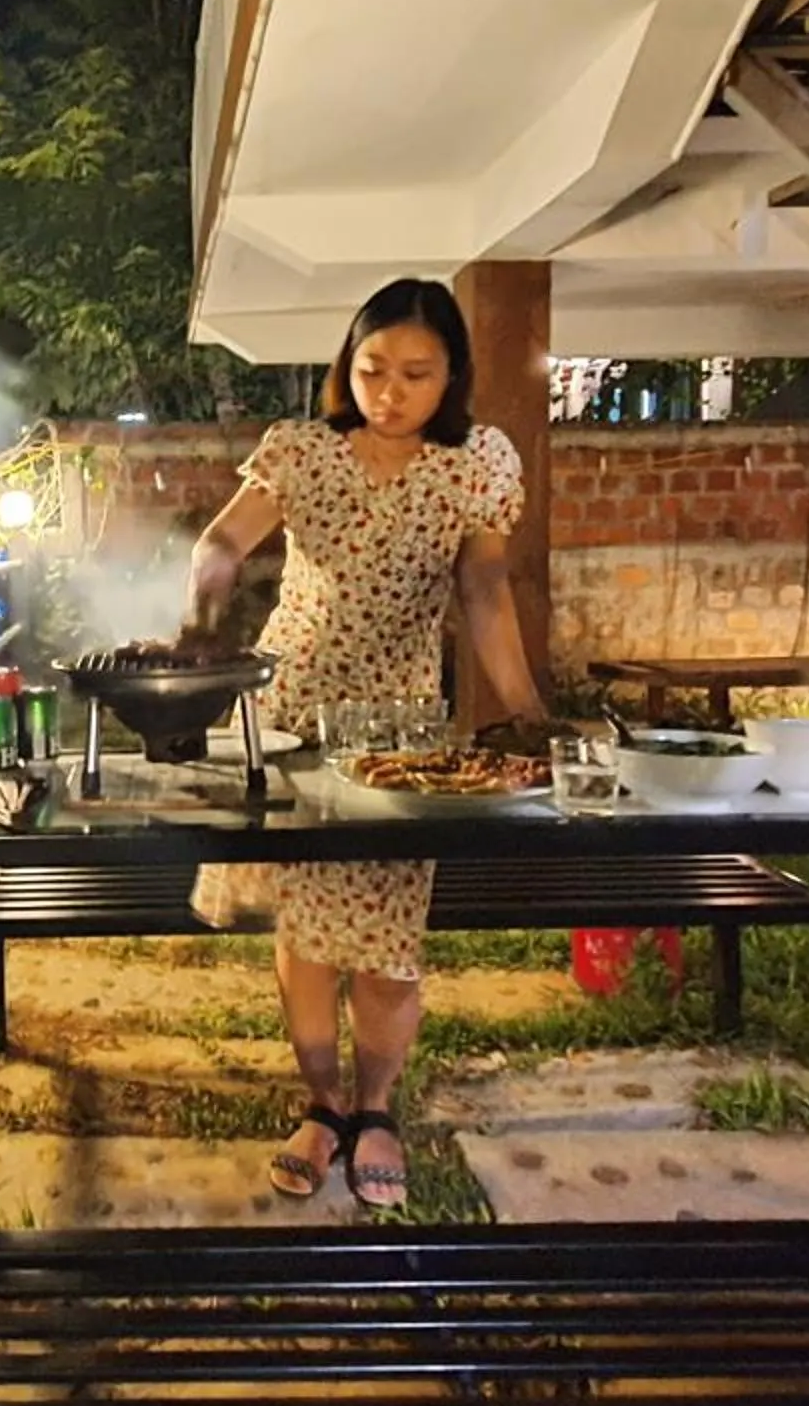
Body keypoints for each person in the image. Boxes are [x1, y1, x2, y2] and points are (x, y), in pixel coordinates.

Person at [181, 277, 549, 1210]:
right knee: (305, 935)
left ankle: (376, 1108)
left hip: (400, 726)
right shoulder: (302, 451)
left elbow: (485, 592)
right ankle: (322, 1104)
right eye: (372, 368)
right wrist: (202, 606)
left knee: (386, 938)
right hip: (292, 710)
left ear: (452, 376)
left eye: (416, 374)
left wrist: (526, 712)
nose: (389, 390)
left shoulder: (479, 465)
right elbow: (223, 543)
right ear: (347, 367)